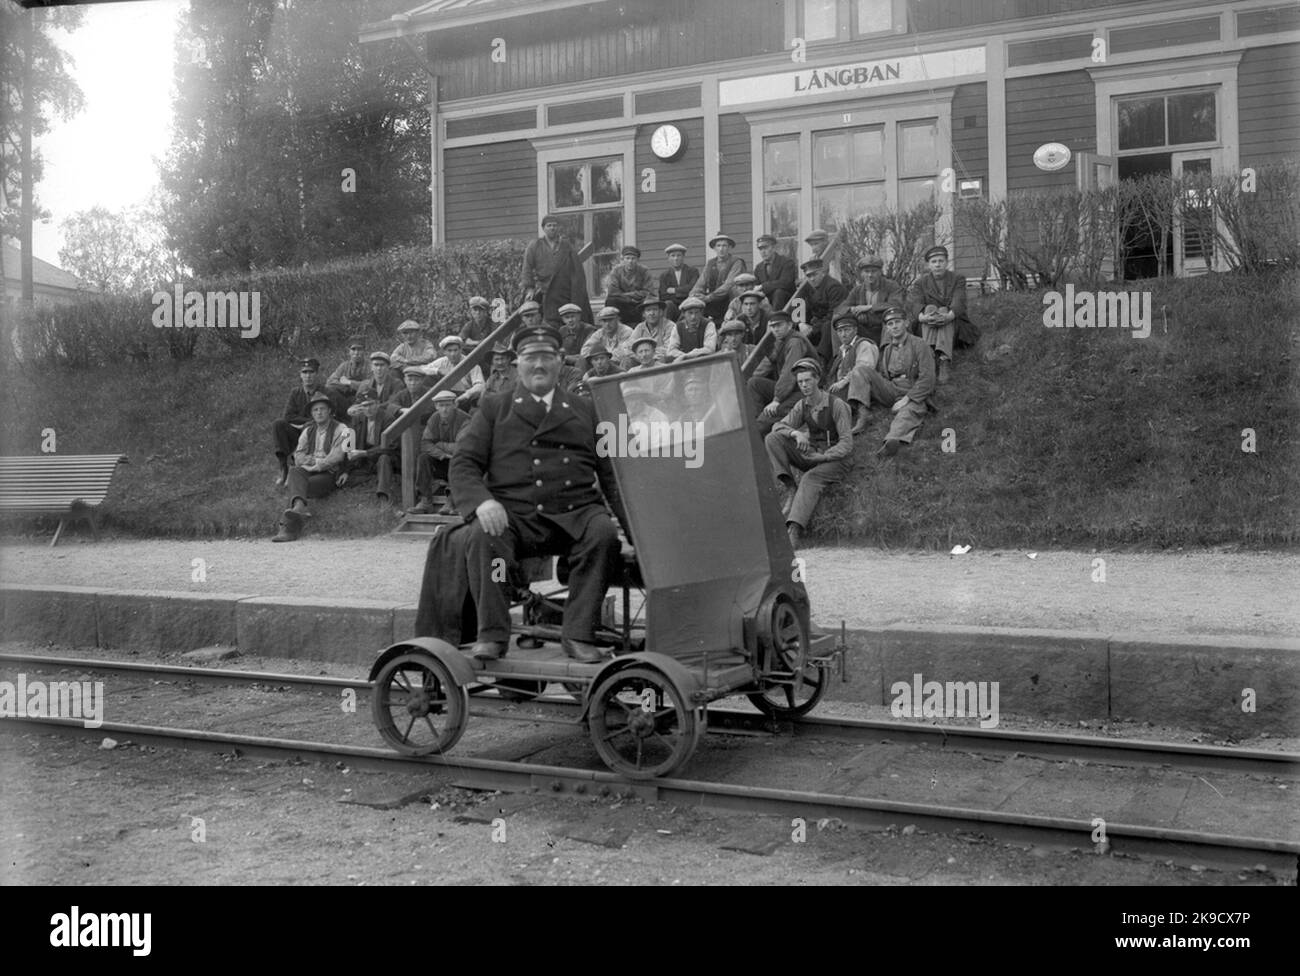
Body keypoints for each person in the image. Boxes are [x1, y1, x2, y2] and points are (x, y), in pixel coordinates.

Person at [425, 323, 630, 663]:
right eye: (530, 357)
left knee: (604, 534)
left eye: (547, 357)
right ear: (518, 363)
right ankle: (492, 633)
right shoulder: (494, 408)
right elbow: (463, 464)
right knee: (485, 541)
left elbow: (611, 475)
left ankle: (578, 633)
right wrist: (483, 502)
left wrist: (636, 530)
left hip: (575, 513)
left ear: (560, 361)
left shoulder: (585, 409)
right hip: (514, 517)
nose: (538, 365)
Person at [765, 358, 853, 549]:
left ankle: (794, 529)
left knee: (810, 478)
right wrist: (795, 433)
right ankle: (790, 486)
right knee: (773, 438)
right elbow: (778, 426)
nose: (804, 385)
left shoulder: (837, 405)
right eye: (800, 382)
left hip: (837, 460)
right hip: (813, 454)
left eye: (807, 380)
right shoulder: (802, 405)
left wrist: (825, 456)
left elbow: (847, 444)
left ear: (818, 379)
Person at [273, 392, 352, 542]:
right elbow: (298, 456)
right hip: (309, 471)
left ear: (329, 411)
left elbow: (337, 456)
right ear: (311, 414)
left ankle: (287, 529)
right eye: (315, 410)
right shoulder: (308, 430)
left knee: (297, 486)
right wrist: (312, 461)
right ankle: (299, 508)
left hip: (329, 474)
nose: (319, 413)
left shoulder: (341, 429)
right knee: (295, 471)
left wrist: (314, 465)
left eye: (322, 409)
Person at [865, 306, 936, 457]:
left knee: (907, 412)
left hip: (913, 390)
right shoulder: (888, 350)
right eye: (890, 324)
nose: (894, 326)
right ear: (887, 329)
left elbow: (928, 378)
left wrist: (906, 399)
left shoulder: (920, 344)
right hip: (893, 389)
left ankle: (892, 440)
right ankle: (861, 412)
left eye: (897, 322)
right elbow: (884, 376)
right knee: (861, 371)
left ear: (906, 323)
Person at [910, 245, 976, 384]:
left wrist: (948, 317)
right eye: (934, 262)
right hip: (928, 324)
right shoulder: (920, 283)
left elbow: (959, 301)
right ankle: (929, 358)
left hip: (954, 324)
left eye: (941, 261)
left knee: (944, 311)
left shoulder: (957, 279)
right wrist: (924, 317)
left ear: (946, 262)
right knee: (929, 308)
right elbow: (916, 304)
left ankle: (943, 359)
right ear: (928, 265)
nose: (937, 265)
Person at [748, 308, 818, 437]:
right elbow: (766, 365)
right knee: (753, 383)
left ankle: (759, 430)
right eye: (773, 326)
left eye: (779, 325)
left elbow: (789, 373)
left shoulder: (795, 342)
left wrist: (777, 399)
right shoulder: (781, 342)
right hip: (791, 389)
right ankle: (756, 423)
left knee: (770, 416)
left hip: (804, 390)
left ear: (790, 325)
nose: (775, 329)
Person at [271, 358, 339, 487]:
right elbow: (288, 416)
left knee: (311, 426)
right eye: (305, 372)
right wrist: (306, 423)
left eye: (311, 372)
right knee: (278, 424)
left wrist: (309, 424)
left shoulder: (327, 392)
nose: (308, 376)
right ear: (300, 375)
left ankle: (296, 468)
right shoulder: (296, 392)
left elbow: (331, 415)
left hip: (319, 434)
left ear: (316, 374)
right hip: (299, 432)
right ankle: (284, 468)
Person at [521, 214, 595, 325]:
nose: (552, 228)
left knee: (568, 320)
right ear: (543, 228)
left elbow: (577, 271)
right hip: (548, 291)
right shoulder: (535, 246)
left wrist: (576, 294)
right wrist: (530, 288)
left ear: (558, 228)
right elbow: (527, 267)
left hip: (565, 291)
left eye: (554, 225)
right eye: (549, 225)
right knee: (552, 322)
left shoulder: (566, 246)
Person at [408, 389, 471, 515]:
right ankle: (425, 501)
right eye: (441, 405)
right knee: (424, 458)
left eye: (448, 405)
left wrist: (440, 444)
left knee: (458, 458)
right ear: (436, 406)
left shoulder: (465, 419)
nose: (444, 409)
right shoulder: (434, 419)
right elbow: (425, 443)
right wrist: (442, 455)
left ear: (455, 404)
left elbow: (462, 447)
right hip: (443, 460)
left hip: (462, 465)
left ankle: (452, 501)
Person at [826, 313, 879, 435]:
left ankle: (863, 415)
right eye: (839, 331)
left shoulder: (864, 344)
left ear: (855, 329)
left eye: (847, 330)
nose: (843, 334)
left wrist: (843, 382)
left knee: (830, 406)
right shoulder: (842, 350)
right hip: (844, 389)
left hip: (863, 388)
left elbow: (864, 368)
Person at [835, 254, 904, 346]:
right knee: (836, 319)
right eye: (866, 271)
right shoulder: (857, 290)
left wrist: (869, 307)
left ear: (880, 272)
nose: (870, 275)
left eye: (874, 271)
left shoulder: (891, 286)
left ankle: (886, 353)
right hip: (864, 327)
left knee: (889, 320)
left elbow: (896, 304)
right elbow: (842, 308)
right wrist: (855, 310)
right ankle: (839, 356)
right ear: (861, 274)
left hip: (882, 325)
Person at [796, 257, 849, 365]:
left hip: (835, 324)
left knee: (827, 326)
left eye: (814, 274)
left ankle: (822, 361)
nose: (812, 279)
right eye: (808, 276)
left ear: (823, 272)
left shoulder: (833, 287)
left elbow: (834, 314)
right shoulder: (808, 287)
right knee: (795, 333)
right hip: (816, 325)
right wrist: (800, 322)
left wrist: (813, 328)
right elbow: (797, 303)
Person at [691, 232, 745, 325]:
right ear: (714, 248)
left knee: (733, 290)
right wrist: (694, 295)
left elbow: (729, 284)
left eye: (724, 246)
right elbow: (701, 282)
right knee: (692, 304)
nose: (721, 249)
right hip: (713, 301)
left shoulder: (736, 262)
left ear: (730, 247)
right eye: (718, 246)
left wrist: (709, 297)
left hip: (729, 300)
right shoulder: (710, 263)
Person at [421, 334, 485, 410]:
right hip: (446, 395)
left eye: (455, 350)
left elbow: (480, 385)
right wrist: (438, 371)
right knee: (427, 379)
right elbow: (422, 368)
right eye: (449, 351)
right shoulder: (442, 361)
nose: (453, 354)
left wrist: (465, 395)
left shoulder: (470, 363)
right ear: (444, 352)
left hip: (464, 396)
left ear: (461, 350)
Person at [603, 245, 654, 324]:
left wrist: (628, 295)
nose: (630, 261)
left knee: (648, 302)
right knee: (611, 300)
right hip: (622, 304)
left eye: (633, 258)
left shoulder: (644, 271)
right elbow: (613, 291)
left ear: (637, 260)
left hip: (638, 304)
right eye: (627, 258)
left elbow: (648, 291)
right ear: (623, 259)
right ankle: (613, 324)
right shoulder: (616, 271)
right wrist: (630, 298)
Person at [629, 297, 681, 363]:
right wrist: (640, 356)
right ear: (643, 314)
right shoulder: (640, 327)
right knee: (627, 360)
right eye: (648, 310)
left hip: (663, 360)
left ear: (661, 312)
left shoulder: (670, 326)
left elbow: (669, 348)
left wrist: (649, 355)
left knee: (661, 359)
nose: (652, 313)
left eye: (655, 309)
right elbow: (628, 346)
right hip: (642, 359)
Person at [754, 234, 797, 309]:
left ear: (774, 248)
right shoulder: (758, 268)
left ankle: (776, 319)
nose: (763, 252)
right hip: (766, 301)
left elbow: (785, 283)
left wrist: (763, 286)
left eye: (766, 248)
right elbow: (756, 286)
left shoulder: (786, 263)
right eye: (760, 249)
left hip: (787, 303)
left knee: (779, 292)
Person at [657, 243, 699, 321]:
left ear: (683, 257)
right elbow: (663, 295)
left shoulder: (692, 271)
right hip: (673, 307)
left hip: (689, 305)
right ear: (668, 258)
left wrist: (674, 290)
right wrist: (683, 293)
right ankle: (666, 331)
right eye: (673, 256)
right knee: (668, 304)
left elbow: (693, 288)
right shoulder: (664, 275)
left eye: (678, 255)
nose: (676, 258)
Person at [325, 338, 369, 407]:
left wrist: (349, 382)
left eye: (359, 349)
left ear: (364, 351)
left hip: (364, 401)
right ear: (349, 351)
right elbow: (330, 382)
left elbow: (370, 384)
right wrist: (346, 387)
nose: (356, 353)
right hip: (345, 399)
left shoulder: (369, 365)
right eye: (353, 349)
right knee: (329, 390)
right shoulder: (344, 366)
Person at [557, 303, 595, 369]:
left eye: (572, 316)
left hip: (585, 364)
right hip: (566, 363)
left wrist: (567, 357)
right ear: (563, 320)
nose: (570, 320)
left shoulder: (589, 330)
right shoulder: (562, 331)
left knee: (581, 360)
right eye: (567, 317)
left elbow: (586, 353)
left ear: (579, 317)